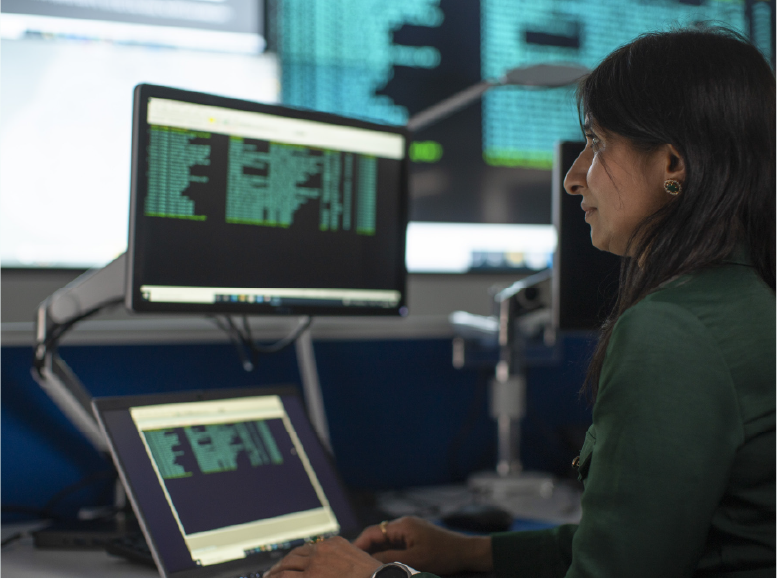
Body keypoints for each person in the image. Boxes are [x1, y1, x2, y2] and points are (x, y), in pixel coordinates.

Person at [265, 25, 776, 578]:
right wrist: (472, 553)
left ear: (673, 165)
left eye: (598, 144)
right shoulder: (749, 299)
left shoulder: (673, 330)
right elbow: (631, 545)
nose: (574, 178)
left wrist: (378, 577)